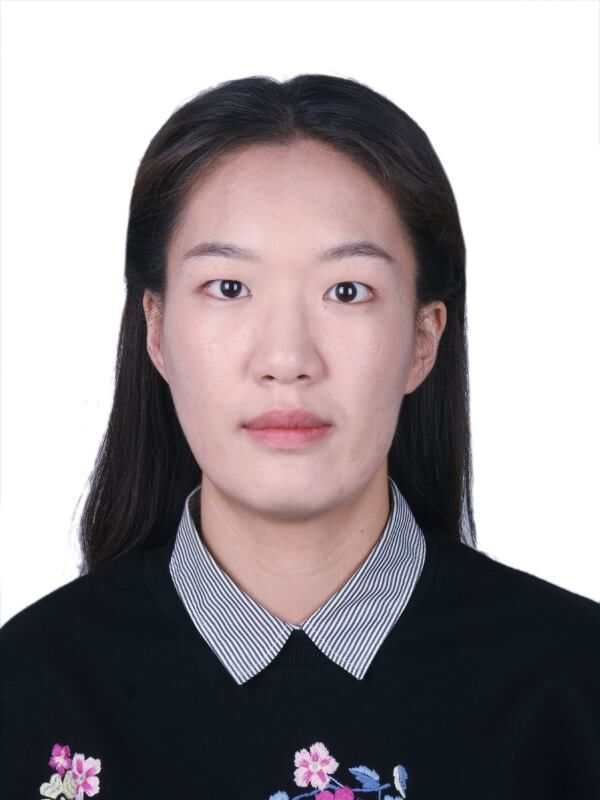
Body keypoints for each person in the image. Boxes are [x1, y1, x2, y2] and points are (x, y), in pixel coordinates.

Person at [0, 73, 598, 800]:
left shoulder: (575, 684)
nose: (286, 359)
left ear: (423, 338)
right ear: (155, 328)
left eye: (347, 291)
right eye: (228, 288)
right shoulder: (27, 690)